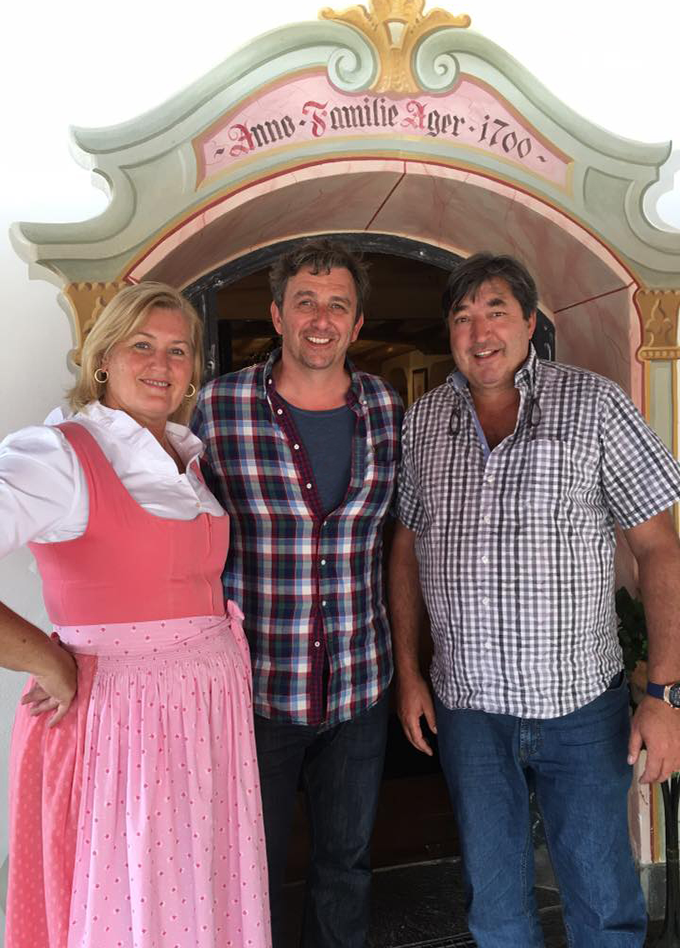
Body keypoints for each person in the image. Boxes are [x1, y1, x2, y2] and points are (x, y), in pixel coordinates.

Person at [389, 252, 680, 946]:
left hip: (580, 709)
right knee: (494, 905)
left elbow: (659, 549)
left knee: (602, 898)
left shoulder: (596, 403)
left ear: (529, 322)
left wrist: (664, 694)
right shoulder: (424, 423)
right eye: (462, 317)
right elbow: (404, 550)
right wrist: (409, 673)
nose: (479, 330)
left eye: (495, 310)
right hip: (470, 712)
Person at [0, 282, 271, 948]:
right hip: (123, 722)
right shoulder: (60, 453)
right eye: (142, 344)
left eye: (179, 350)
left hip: (204, 711)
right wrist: (45, 658)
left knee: (199, 886)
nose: (163, 362)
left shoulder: (185, 454)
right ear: (102, 358)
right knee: (138, 900)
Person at [192, 239, 403, 948]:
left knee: (346, 864)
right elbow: (171, 533)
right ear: (278, 315)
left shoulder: (385, 408)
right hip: (256, 690)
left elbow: (402, 537)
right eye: (305, 303)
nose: (321, 319)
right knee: (247, 864)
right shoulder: (217, 409)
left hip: (359, 686)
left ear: (358, 323)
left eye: (337, 304)